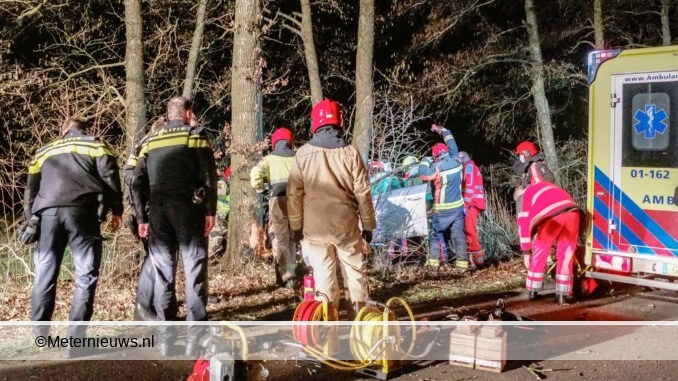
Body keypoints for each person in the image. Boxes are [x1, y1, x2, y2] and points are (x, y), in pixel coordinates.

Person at [24, 118, 123, 352]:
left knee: (44, 273)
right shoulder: (96, 146)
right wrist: (115, 210)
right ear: (83, 130)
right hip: (82, 213)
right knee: (85, 275)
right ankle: (75, 343)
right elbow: (111, 180)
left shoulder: (44, 151)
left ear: (64, 130)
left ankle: (40, 336)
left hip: (48, 215)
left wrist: (30, 218)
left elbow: (31, 188)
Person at [130, 96, 217, 356]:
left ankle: (167, 339)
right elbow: (209, 175)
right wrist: (210, 211)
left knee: (163, 273)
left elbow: (135, 182)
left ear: (167, 116)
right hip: (187, 208)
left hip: (157, 211)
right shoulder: (194, 135)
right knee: (194, 269)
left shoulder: (151, 140)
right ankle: (195, 338)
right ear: (188, 112)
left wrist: (141, 217)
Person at [287, 98, 376, 316]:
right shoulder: (351, 153)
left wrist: (295, 226)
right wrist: (368, 225)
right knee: (355, 273)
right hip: (345, 225)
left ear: (314, 124)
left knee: (323, 276)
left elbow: (294, 194)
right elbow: (363, 193)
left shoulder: (303, 155)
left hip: (314, 227)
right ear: (340, 122)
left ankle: (327, 334)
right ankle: (363, 328)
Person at [123, 117, 167, 321]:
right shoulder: (151, 147)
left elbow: (130, 177)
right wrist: (143, 214)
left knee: (156, 257)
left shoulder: (140, 146)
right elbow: (136, 180)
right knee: (155, 258)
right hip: (148, 210)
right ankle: (144, 307)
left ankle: (159, 305)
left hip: (140, 209)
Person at [250, 127, 299, 289]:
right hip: (297, 202)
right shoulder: (298, 157)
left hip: (277, 201)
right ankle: (292, 271)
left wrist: (263, 190)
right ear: (290, 141)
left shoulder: (268, 159)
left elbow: (255, 175)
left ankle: (287, 275)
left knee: (280, 237)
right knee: (293, 237)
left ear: (274, 142)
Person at [518, 178, 581, 305]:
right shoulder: (548, 186)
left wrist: (526, 251)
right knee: (566, 255)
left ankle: (533, 290)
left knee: (541, 251)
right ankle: (562, 295)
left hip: (553, 216)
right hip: (573, 213)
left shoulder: (525, 195)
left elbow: (524, 225)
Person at [418, 124, 470, 271]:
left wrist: (425, 161)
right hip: (458, 208)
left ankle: (433, 264)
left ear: (435, 157)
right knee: (458, 235)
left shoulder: (437, 168)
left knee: (435, 235)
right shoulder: (457, 160)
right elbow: (453, 146)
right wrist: (445, 132)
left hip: (442, 210)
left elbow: (424, 174)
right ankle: (462, 264)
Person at [457, 151, 487, 267]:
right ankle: (474, 260)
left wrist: (465, 204)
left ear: (463, 158)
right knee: (469, 231)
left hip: (471, 204)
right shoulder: (470, 166)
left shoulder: (468, 166)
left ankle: (478, 261)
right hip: (473, 203)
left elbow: (469, 186)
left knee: (470, 231)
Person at [512, 141, 555, 207]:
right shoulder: (527, 170)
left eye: (520, 155)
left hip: (541, 195)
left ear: (526, 153)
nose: (520, 158)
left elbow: (550, 178)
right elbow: (526, 183)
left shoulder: (537, 165)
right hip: (534, 196)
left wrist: (537, 189)